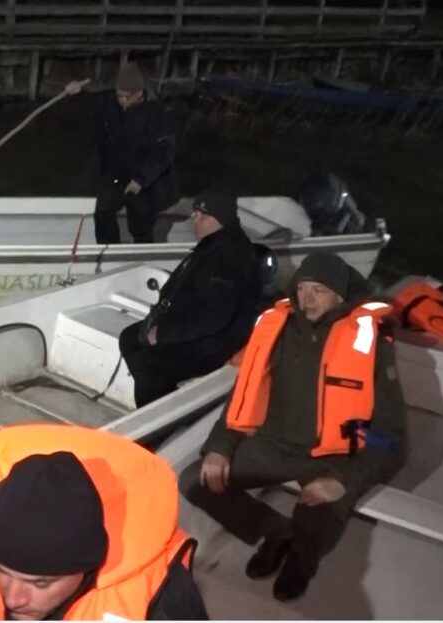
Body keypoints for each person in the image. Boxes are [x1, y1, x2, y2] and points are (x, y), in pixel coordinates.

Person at [178, 251, 407, 602]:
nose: (307, 298)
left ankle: (302, 559)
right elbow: (244, 394)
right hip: (273, 444)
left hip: (333, 455)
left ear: (340, 296)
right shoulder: (278, 329)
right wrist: (220, 447)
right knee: (195, 480)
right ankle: (276, 531)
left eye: (319, 290)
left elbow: (390, 437)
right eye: (302, 288)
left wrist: (345, 479)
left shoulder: (371, 343)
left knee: (320, 513)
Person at [0, 423, 208, 620]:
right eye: (2, 571)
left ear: (87, 568)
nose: (12, 599)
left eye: (40, 583)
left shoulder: (165, 597)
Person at [118, 192, 262, 408]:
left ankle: (158, 421)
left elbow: (214, 318)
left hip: (216, 342)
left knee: (150, 362)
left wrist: (164, 333)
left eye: (202, 215)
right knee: (130, 338)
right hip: (192, 327)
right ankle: (161, 401)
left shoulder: (230, 256)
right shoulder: (212, 244)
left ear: (219, 219)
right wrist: (159, 320)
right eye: (195, 213)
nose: (195, 219)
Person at [66, 63, 179, 244]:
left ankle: (142, 250)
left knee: (140, 220)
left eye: (127, 97)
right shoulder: (110, 102)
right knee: (103, 213)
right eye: (119, 95)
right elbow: (88, 106)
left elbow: (164, 153)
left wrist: (141, 180)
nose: (122, 101)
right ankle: (108, 250)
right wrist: (77, 94)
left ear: (139, 93)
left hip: (144, 179)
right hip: (115, 175)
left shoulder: (158, 114)